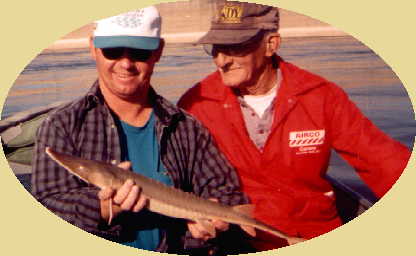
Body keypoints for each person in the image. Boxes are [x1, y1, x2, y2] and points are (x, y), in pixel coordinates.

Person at [178, 1, 412, 251]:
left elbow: (383, 160)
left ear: (271, 45)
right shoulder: (196, 104)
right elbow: (180, 177)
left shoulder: (320, 96)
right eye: (216, 47)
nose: (221, 60)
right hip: (242, 240)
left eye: (235, 47)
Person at [31, 6, 251, 255]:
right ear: (93, 47)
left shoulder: (186, 127)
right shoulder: (61, 126)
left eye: (139, 52)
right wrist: (101, 207)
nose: (126, 64)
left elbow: (224, 190)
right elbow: (46, 204)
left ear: (158, 51)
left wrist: (217, 219)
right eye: (112, 51)